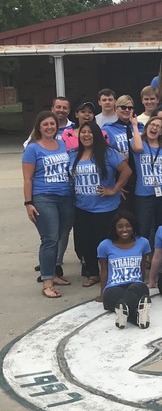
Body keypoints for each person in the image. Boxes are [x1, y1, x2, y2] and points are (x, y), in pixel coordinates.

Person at [69, 121, 132, 288]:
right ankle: (93, 273)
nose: (86, 135)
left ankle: (111, 273)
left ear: (96, 134)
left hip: (105, 208)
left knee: (104, 242)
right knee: (85, 242)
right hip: (81, 207)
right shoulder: (73, 154)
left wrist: (115, 189)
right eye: (83, 132)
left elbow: (126, 171)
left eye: (90, 132)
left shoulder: (108, 153)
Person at [22, 111, 73, 298]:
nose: (50, 127)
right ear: (39, 127)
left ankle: (53, 273)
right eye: (45, 124)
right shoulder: (33, 149)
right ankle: (47, 281)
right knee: (50, 238)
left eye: (52, 124)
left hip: (66, 196)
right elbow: (27, 178)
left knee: (62, 234)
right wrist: (28, 203)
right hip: (44, 198)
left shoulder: (62, 144)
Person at [98, 211, 152, 329]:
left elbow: (142, 268)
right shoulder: (104, 245)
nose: (124, 229)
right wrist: (102, 292)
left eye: (128, 225)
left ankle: (125, 312)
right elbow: (104, 271)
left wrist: (141, 282)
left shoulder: (143, 242)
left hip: (135, 284)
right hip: (114, 287)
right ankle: (138, 317)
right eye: (120, 226)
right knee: (113, 297)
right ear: (114, 228)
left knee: (134, 291)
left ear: (133, 226)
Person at [130, 115, 162, 241]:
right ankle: (144, 257)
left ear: (161, 131)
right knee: (143, 228)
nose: (154, 128)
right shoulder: (138, 142)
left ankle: (161, 256)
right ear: (146, 127)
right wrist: (134, 125)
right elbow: (138, 148)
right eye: (152, 125)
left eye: (158, 127)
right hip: (144, 194)